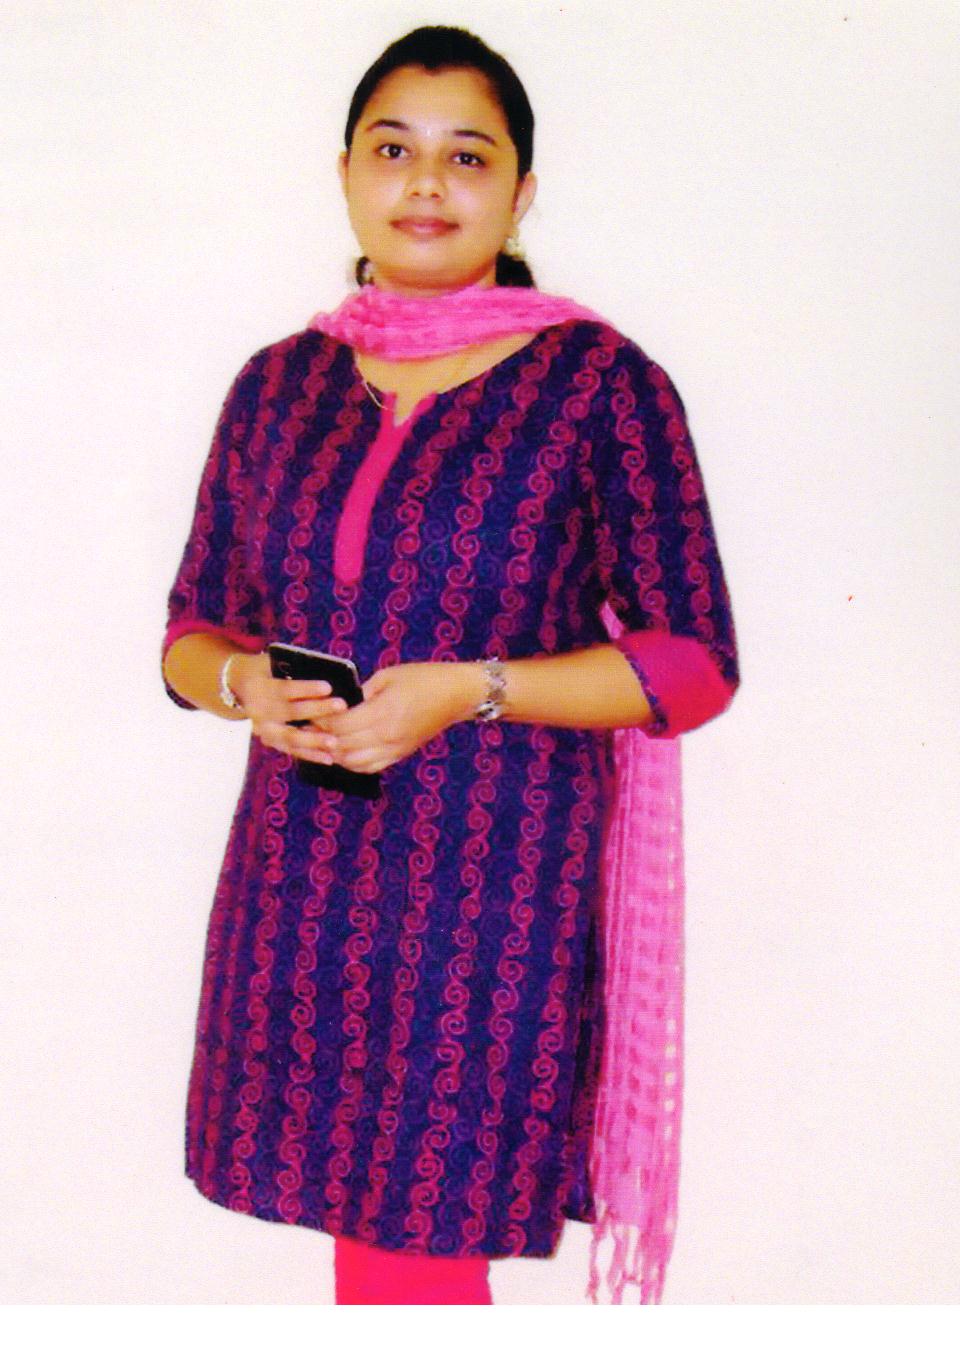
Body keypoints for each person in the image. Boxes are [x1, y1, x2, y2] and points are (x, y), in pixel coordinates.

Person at [162, 25, 739, 1305]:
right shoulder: (278, 386)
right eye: (394, 150)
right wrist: (243, 685)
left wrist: (472, 687)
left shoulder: (599, 385)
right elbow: (194, 626)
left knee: (419, 1250)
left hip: (488, 894)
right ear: (346, 173)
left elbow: (692, 664)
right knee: (365, 1250)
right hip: (302, 880)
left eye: (467, 157)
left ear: (520, 192)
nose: (426, 183)